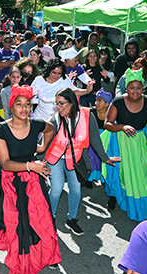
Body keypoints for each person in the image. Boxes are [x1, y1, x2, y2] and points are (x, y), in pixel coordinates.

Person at [0, 85, 61, 274]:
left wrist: (41, 147)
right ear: (11, 107)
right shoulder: (1, 129)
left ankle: (49, 255)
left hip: (31, 178)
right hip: (5, 180)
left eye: (27, 104)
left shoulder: (37, 124)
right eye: (19, 104)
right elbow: (6, 163)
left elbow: (51, 128)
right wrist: (32, 166)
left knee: (38, 215)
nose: (24, 109)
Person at [45, 88, 119, 236]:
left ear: (72, 103)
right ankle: (49, 217)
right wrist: (37, 162)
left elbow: (95, 140)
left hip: (75, 160)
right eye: (56, 103)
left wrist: (106, 158)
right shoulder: (55, 118)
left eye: (61, 103)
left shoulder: (86, 115)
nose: (57, 107)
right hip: (55, 158)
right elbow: (44, 143)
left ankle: (71, 219)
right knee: (57, 188)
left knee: (76, 190)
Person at [104, 69, 147, 220]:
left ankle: (142, 203)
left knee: (142, 173)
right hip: (122, 142)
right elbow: (107, 124)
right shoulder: (118, 102)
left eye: (138, 88)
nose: (135, 91)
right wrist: (122, 127)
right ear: (126, 88)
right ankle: (114, 196)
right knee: (122, 174)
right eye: (132, 88)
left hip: (140, 142)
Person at [89, 88, 114, 183]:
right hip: (94, 137)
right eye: (96, 100)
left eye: (100, 101)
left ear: (107, 104)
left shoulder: (112, 113)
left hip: (107, 137)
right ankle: (90, 178)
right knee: (91, 156)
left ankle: (105, 178)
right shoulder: (92, 112)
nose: (96, 103)